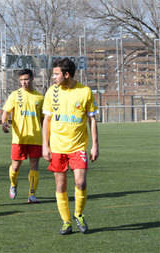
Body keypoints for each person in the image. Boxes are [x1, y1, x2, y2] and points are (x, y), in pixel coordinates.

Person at [42, 58, 99, 235]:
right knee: (61, 186)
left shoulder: (85, 91)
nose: (54, 77)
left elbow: (92, 119)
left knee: (80, 183)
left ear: (67, 74)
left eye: (57, 74)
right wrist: (45, 145)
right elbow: (47, 120)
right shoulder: (52, 91)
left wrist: (95, 145)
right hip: (58, 147)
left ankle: (78, 214)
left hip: (78, 147)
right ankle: (66, 221)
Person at [1, 69, 44, 203]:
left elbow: (43, 119)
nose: (23, 82)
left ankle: (32, 194)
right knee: (15, 167)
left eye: (26, 79)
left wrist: (48, 135)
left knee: (34, 165)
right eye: (21, 80)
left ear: (32, 79)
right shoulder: (15, 95)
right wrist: (4, 123)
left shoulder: (40, 97)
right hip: (19, 138)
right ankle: (13, 184)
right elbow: (6, 111)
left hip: (36, 138)